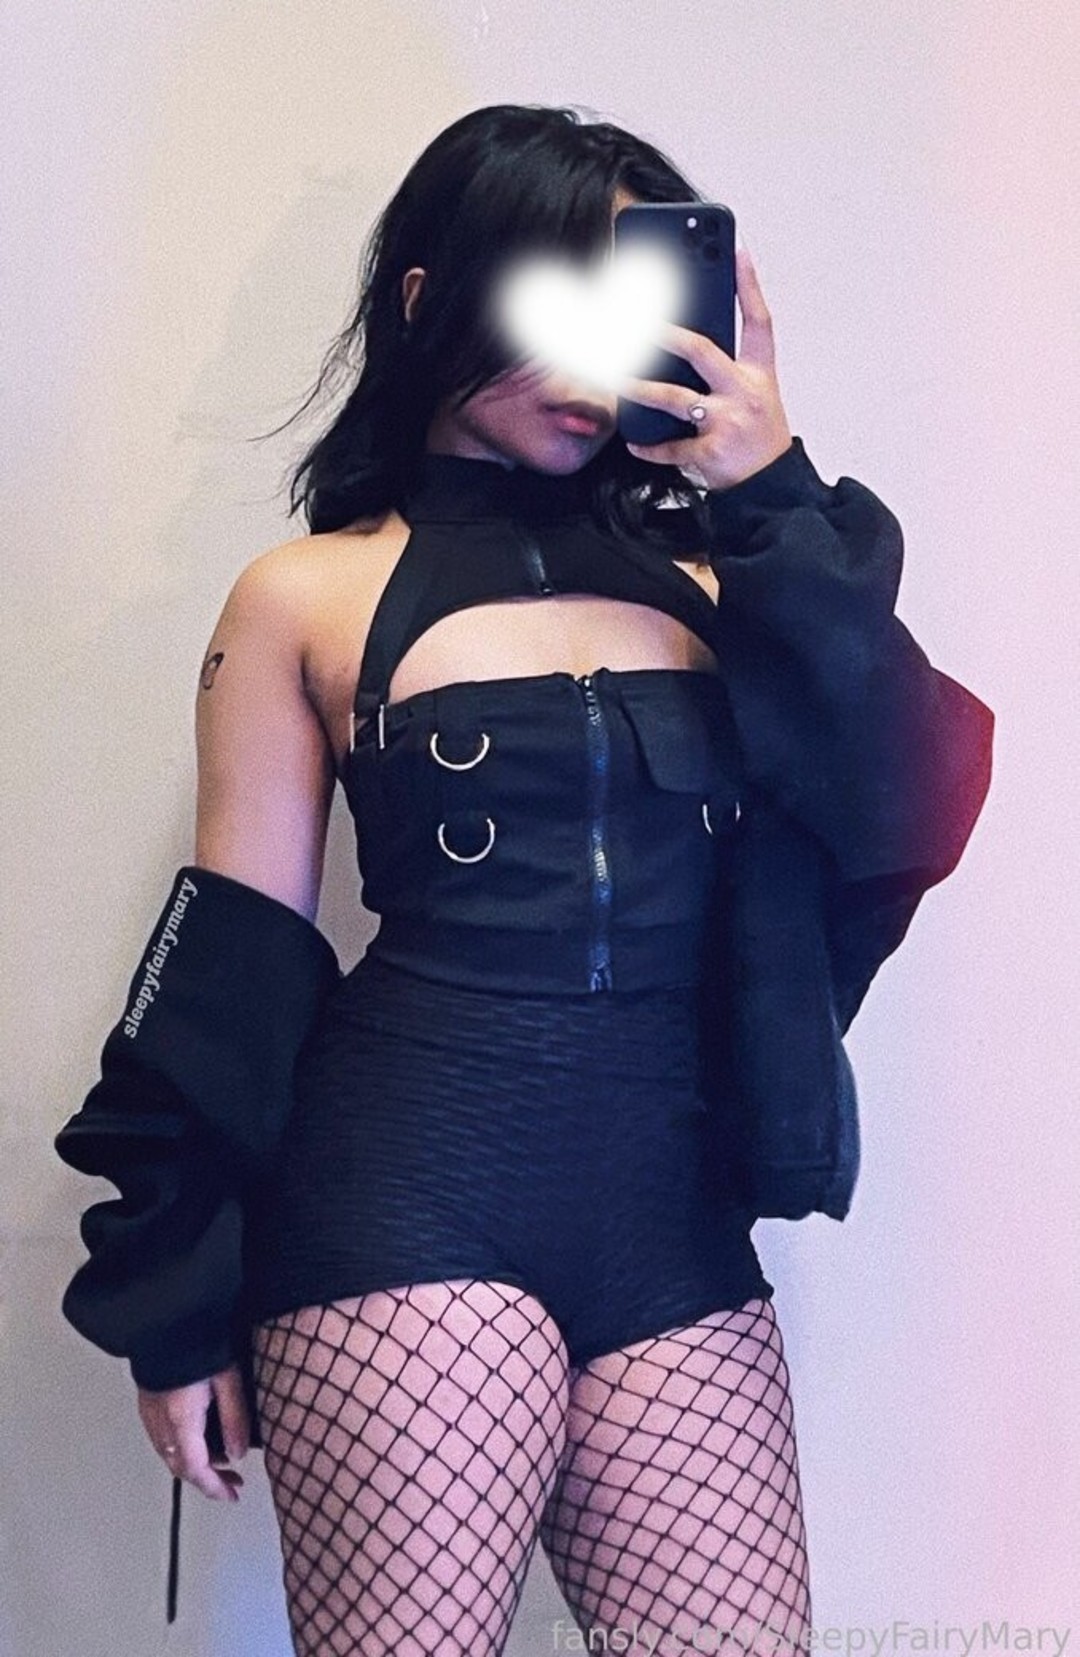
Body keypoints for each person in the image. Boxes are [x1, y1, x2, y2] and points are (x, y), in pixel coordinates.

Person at [54, 104, 994, 1656]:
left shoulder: (729, 576)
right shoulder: (307, 593)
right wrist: (177, 1295)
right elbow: (232, 962)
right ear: (431, 297)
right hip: (405, 1198)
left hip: (673, 1219)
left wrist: (771, 487)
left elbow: (916, 798)